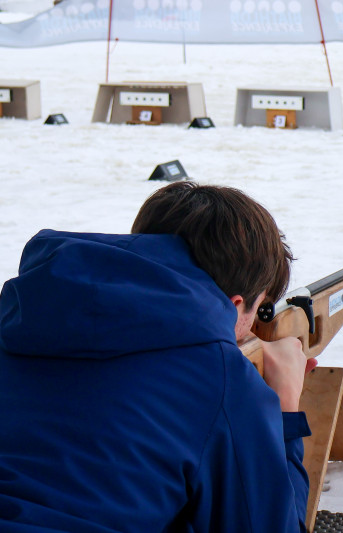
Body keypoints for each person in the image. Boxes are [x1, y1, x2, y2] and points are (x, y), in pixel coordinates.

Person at [0, 181, 313, 532]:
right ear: (236, 304)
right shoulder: (218, 373)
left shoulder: (17, 319)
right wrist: (285, 404)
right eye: (259, 312)